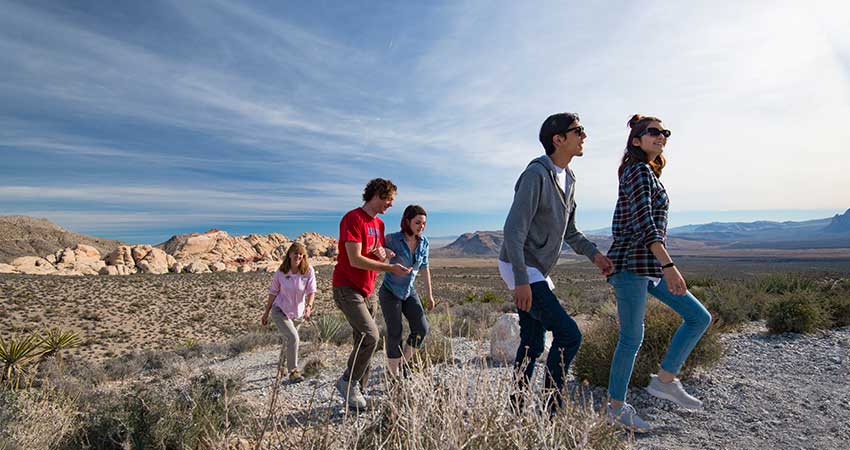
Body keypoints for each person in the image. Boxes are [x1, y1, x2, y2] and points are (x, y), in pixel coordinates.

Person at [499, 112, 614, 411]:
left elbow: (571, 231)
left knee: (533, 343)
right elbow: (513, 230)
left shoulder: (570, 179)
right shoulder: (536, 174)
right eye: (578, 131)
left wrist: (595, 255)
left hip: (536, 268)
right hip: (519, 263)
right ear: (558, 139)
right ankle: (552, 411)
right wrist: (521, 281)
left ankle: (515, 409)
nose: (584, 136)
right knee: (568, 334)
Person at [605, 114, 712, 432]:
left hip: (647, 268)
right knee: (631, 338)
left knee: (698, 317)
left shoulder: (648, 173)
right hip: (630, 266)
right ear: (636, 140)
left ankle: (665, 379)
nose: (661, 136)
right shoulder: (636, 171)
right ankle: (615, 408)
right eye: (653, 132)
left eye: (664, 132)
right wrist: (670, 266)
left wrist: (661, 267)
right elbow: (645, 224)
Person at [333, 178, 411, 409]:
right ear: (377, 194)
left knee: (362, 341)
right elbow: (355, 259)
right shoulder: (353, 218)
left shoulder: (378, 225)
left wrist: (384, 253)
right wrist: (390, 268)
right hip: (347, 288)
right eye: (389, 199)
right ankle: (348, 382)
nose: (390, 204)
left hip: (368, 289)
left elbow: (372, 253)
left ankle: (358, 394)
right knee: (371, 336)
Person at [379, 204, 435, 378]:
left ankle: (402, 363)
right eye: (418, 222)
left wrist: (430, 295)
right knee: (395, 331)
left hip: (409, 291)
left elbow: (425, 268)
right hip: (390, 291)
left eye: (424, 223)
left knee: (421, 328)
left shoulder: (424, 243)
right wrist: (384, 251)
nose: (421, 226)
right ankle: (394, 375)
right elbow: (375, 250)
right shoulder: (393, 239)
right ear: (407, 221)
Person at [261, 242, 316, 383]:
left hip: (298, 313)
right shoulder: (281, 272)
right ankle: (294, 372)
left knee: (288, 341)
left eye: (301, 253)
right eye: (295, 253)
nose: (298, 256)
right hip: (280, 310)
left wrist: (309, 307)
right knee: (293, 338)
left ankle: (281, 366)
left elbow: (311, 291)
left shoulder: (308, 270)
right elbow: (273, 292)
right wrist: (266, 312)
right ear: (289, 254)